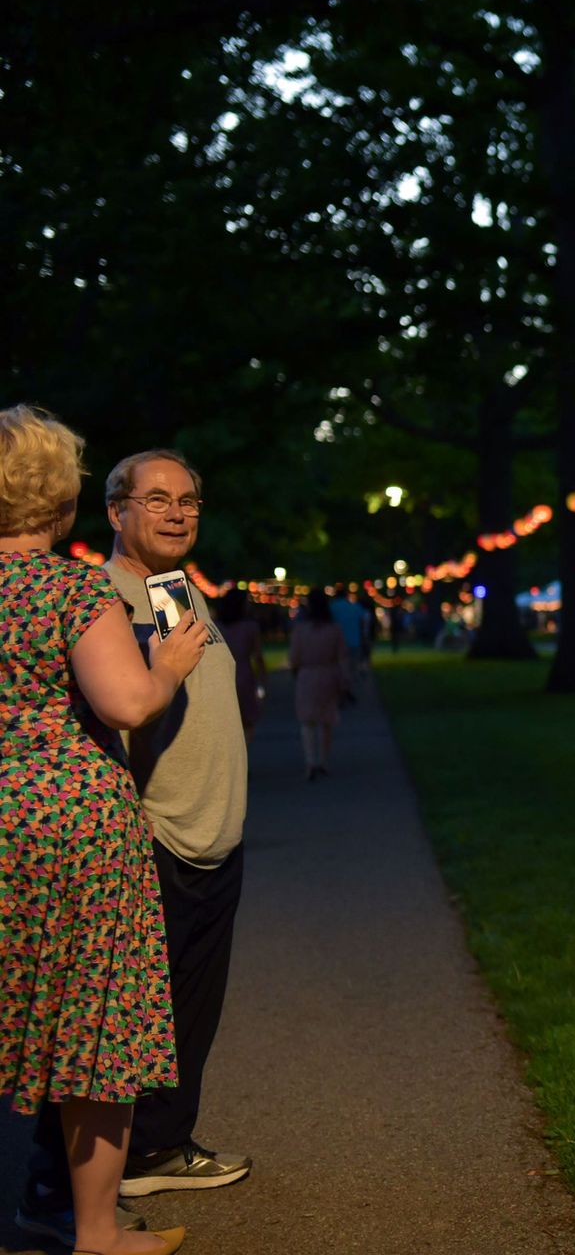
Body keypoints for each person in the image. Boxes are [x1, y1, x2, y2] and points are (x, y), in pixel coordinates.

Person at [22, 445, 256, 1236]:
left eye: (188, 498)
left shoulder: (177, 590)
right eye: (156, 499)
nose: (177, 511)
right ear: (114, 510)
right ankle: (76, 1189)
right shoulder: (98, 594)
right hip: (153, 834)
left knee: (189, 1010)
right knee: (109, 1025)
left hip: (215, 834)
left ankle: (159, 1150)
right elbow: (119, 704)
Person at [1, 407, 199, 1255]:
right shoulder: (70, 588)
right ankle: (96, 1233)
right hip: (71, 830)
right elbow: (124, 704)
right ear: (61, 494)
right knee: (95, 1024)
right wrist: (166, 669)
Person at [289, 590, 348, 779]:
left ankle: (310, 761)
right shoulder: (334, 629)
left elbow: (294, 658)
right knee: (326, 721)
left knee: (307, 722)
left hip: (307, 675)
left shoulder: (301, 630)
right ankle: (323, 760)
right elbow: (342, 656)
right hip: (328, 674)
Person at [213, 589, 266, 744]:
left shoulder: (217, 626)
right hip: (244, 676)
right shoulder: (250, 627)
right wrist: (262, 683)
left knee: (226, 723)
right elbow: (257, 657)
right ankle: (244, 757)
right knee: (247, 721)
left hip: (222, 678)